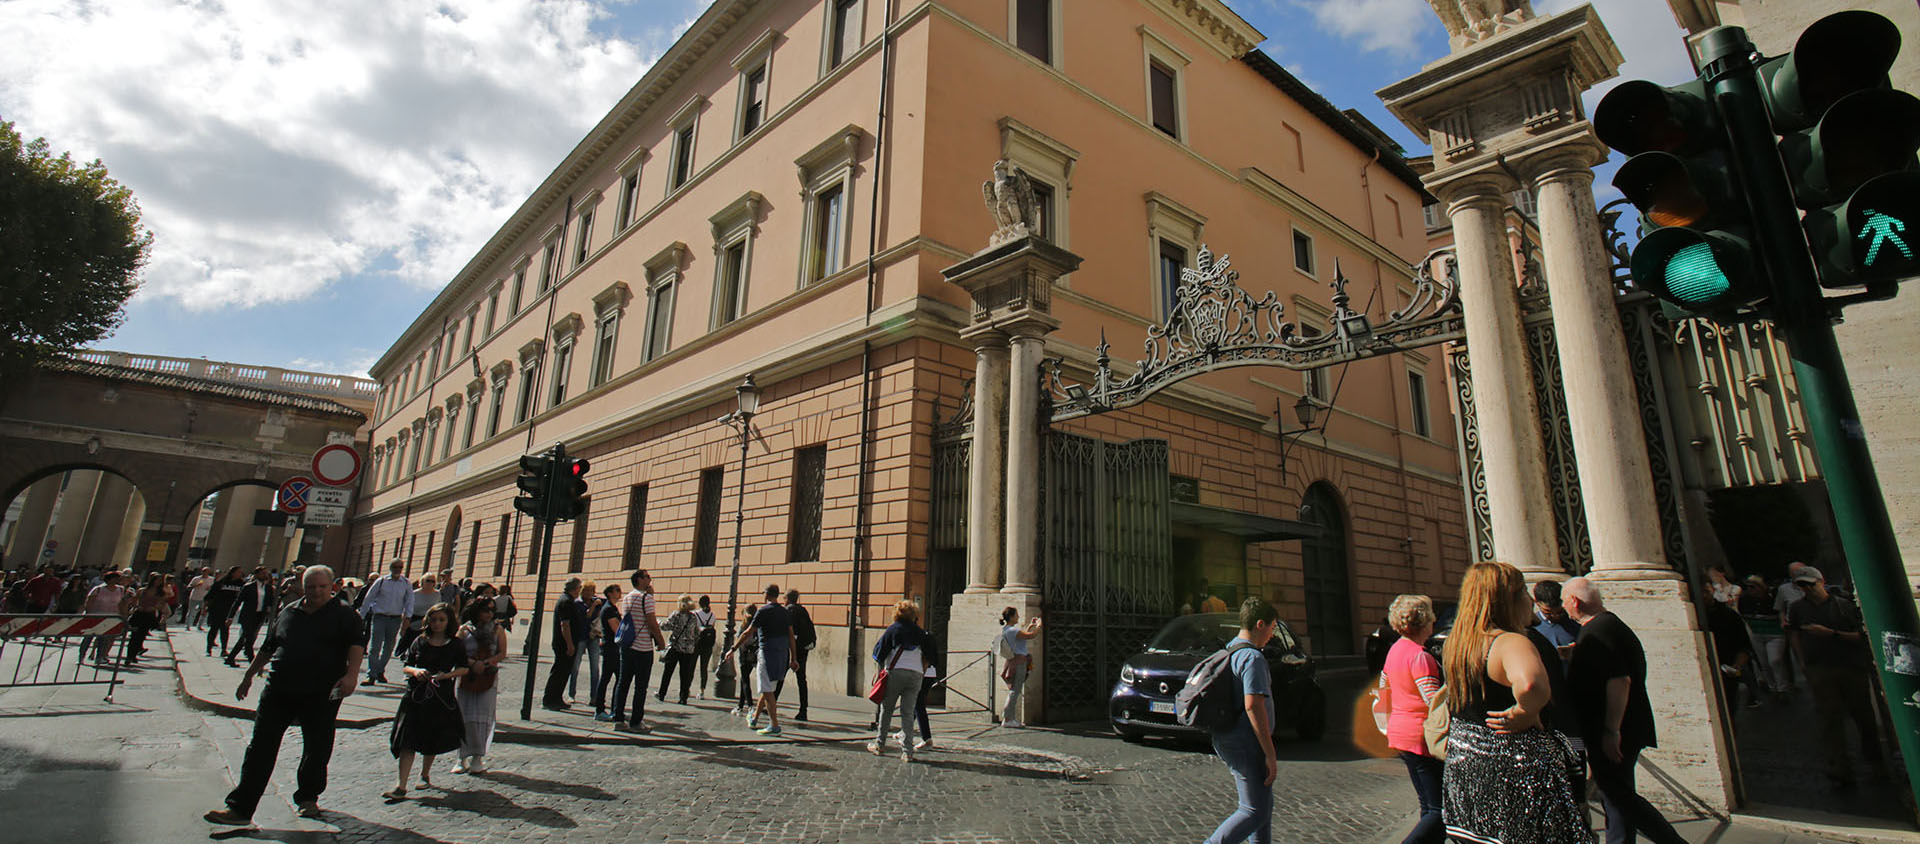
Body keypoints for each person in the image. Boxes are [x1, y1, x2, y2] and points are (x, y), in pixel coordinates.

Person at [203, 566, 366, 825]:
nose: (316, 591)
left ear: (331, 587)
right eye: (311, 587)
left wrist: (351, 676)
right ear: (303, 587)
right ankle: (240, 809)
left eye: (322, 586)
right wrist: (248, 676)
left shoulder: (346, 614)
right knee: (260, 747)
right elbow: (270, 646)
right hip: (279, 687)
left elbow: (357, 644)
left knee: (317, 746)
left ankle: (308, 798)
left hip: (322, 691)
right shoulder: (288, 611)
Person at [1440, 562, 1585, 844]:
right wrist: (1525, 710)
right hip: (1515, 773)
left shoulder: (1456, 644)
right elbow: (1531, 684)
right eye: (1523, 592)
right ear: (1507, 599)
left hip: (1466, 770)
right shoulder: (1510, 642)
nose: (1530, 600)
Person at [1563, 576, 1686, 844]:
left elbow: (1620, 681)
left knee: (1621, 797)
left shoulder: (1599, 631)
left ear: (1574, 601)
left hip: (1614, 731)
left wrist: (1611, 730)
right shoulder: (1607, 627)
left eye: (1564, 602)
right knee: (1617, 797)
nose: (1564, 608)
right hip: (1622, 728)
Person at [1785, 566, 1889, 785]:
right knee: (1829, 717)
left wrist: (1831, 633)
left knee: (1863, 716)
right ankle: (1839, 765)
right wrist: (1802, 661)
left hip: (1850, 667)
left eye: (1810, 584)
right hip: (1819, 668)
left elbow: (1862, 637)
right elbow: (1794, 633)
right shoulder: (1797, 608)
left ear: (1821, 582)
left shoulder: (1843, 606)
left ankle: (1876, 762)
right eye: (1802, 585)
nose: (1807, 589)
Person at [1203, 596, 1284, 844]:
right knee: (1253, 811)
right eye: (1273, 627)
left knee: (1262, 809)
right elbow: (1253, 705)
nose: (1273, 633)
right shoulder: (1253, 658)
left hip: (1230, 737)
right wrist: (1269, 752)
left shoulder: (1231, 649)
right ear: (1260, 624)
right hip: (1247, 741)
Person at [1374, 594, 1444, 844]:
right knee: (1439, 811)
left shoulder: (1395, 650)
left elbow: (1384, 687)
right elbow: (1433, 701)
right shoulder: (1420, 656)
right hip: (1421, 736)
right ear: (1425, 622)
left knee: (1427, 806)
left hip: (1400, 732)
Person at [385, 602, 467, 800]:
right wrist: (416, 671)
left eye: (441, 620)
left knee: (432, 738)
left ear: (448, 622)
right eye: (433, 619)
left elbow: (464, 668)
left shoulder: (456, 644)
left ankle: (424, 775)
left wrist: (446, 676)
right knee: (407, 740)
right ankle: (401, 785)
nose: (437, 623)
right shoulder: (420, 641)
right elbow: (407, 665)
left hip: (440, 696)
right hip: (416, 696)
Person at [725, 585, 796, 736]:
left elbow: (747, 632)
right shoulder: (785, 612)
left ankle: (774, 725)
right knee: (768, 687)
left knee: (766, 689)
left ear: (766, 595)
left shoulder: (763, 611)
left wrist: (733, 648)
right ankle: (755, 718)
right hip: (783, 653)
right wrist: (794, 658)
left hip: (768, 652)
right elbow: (791, 636)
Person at [868, 599, 932, 761]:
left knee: (887, 709)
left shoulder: (893, 630)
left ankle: (880, 744)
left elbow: (878, 653)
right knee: (908, 713)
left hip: (896, 673)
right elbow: (928, 656)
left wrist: (881, 669)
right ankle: (907, 751)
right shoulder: (920, 632)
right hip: (916, 675)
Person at [455, 597, 506, 774]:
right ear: (477, 611)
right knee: (463, 715)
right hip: (467, 676)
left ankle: (478, 757)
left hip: (488, 677)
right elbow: (456, 651)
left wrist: (484, 663)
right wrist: (471, 663)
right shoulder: (464, 629)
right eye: (486, 610)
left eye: (492, 610)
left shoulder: (498, 629)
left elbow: (502, 653)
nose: (490, 614)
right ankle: (461, 757)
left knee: (483, 716)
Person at [610, 570, 666, 732]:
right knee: (641, 687)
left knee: (623, 682)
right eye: (647, 576)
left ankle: (618, 718)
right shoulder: (646, 599)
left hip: (627, 646)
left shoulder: (627, 598)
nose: (650, 578)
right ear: (640, 580)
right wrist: (661, 642)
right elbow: (651, 622)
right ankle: (636, 722)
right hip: (642, 647)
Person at [360, 561, 414, 684]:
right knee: (375, 647)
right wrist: (362, 615)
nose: (397, 569)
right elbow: (369, 598)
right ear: (390, 568)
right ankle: (371, 674)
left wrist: (407, 617)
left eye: (400, 567)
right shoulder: (382, 581)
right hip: (380, 617)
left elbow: (409, 601)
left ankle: (380, 671)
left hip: (395, 618)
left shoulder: (406, 583)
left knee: (389, 647)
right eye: (395, 567)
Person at [542, 578, 585, 711]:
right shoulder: (566, 601)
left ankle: (556, 698)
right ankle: (550, 699)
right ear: (574, 588)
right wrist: (570, 644)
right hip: (564, 644)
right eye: (579, 588)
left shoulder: (566, 600)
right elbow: (564, 624)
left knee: (563, 672)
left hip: (565, 642)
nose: (580, 591)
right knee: (560, 671)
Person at [1769, 561, 1810, 693]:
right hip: (1795, 629)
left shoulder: (1812, 585)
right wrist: (1783, 621)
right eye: (1794, 573)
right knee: (1801, 661)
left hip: (1813, 626)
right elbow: (1780, 608)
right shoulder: (1784, 589)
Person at [999, 606, 1042, 727]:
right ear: (1011, 617)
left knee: (1014, 690)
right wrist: (1039, 626)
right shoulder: (1013, 630)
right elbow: (1030, 636)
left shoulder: (1007, 629)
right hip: (1019, 662)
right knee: (1014, 691)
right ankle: (1007, 719)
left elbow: (1022, 638)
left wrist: (1030, 626)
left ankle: (1010, 718)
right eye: (1016, 614)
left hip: (1013, 661)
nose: (1018, 617)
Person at [225, 568, 276, 667]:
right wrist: (230, 617)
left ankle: (230, 658)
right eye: (262, 573)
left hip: (259, 616)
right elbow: (238, 602)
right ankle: (253, 662)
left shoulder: (268, 588)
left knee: (244, 638)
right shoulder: (248, 587)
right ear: (256, 575)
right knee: (248, 639)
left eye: (266, 573)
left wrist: (270, 613)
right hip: (247, 616)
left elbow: (271, 602)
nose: (264, 575)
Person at [656, 594, 701, 705]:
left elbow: (665, 626)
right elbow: (697, 633)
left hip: (675, 648)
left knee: (668, 672)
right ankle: (683, 698)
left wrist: (657, 622)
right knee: (685, 674)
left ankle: (662, 694)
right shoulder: (693, 617)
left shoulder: (676, 615)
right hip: (688, 650)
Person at [780, 589, 816, 720]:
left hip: (791, 649)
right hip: (803, 648)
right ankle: (803, 710)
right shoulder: (803, 610)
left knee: (780, 677)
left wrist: (792, 655)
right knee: (801, 680)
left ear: (787, 599)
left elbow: (789, 632)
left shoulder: (788, 611)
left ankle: (770, 705)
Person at [80, 572, 130, 663]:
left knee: (104, 639)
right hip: (95, 617)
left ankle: (99, 657)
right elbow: (89, 602)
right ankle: (81, 656)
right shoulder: (98, 589)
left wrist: (124, 615)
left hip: (111, 617)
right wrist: (87, 615)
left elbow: (122, 604)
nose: (116, 580)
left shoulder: (121, 590)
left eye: (117, 579)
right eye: (114, 578)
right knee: (88, 638)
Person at [591, 584, 624, 720]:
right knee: (608, 678)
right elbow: (617, 629)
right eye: (617, 590)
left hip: (612, 648)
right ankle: (601, 710)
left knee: (615, 678)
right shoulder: (609, 609)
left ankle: (614, 709)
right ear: (610, 593)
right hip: (611, 648)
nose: (620, 593)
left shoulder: (612, 608)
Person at [125, 573, 170, 663]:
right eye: (157, 580)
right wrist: (136, 606)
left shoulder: (161, 593)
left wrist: (156, 608)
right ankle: (129, 656)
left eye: (160, 581)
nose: (158, 582)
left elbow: (162, 604)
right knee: (134, 636)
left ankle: (133, 654)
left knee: (141, 636)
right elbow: (134, 601)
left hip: (149, 615)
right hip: (139, 614)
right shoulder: (142, 590)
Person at [1531, 579, 1581, 656]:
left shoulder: (1576, 622)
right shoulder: (1532, 626)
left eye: (1559, 612)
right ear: (1537, 603)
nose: (1555, 616)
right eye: (1548, 613)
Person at [205, 567, 246, 657]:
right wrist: (205, 608)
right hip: (216, 609)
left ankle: (223, 650)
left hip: (229, 611)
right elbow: (210, 595)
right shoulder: (222, 582)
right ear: (232, 573)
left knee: (225, 630)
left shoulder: (241, 584)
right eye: (238, 572)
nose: (240, 574)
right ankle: (209, 648)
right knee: (214, 629)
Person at [575, 580, 602, 706]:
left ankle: (594, 697)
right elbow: (587, 616)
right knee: (575, 667)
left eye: (593, 591)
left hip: (593, 637)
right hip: (581, 636)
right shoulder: (578, 603)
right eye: (589, 591)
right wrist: (593, 606)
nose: (591, 593)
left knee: (595, 668)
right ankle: (571, 694)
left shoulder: (595, 602)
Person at [398, 575, 438, 656]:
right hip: (414, 619)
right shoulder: (414, 594)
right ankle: (408, 654)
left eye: (433, 581)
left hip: (428, 620)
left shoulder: (437, 594)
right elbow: (406, 608)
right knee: (411, 640)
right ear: (422, 581)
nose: (430, 583)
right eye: (428, 580)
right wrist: (404, 623)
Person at [733, 605, 759, 713]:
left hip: (744, 654)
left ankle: (750, 706)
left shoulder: (744, 625)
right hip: (754, 654)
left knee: (745, 680)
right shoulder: (757, 624)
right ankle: (740, 705)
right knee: (744, 679)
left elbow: (740, 638)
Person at [694, 595, 716, 698]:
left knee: (691, 667)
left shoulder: (696, 614)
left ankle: (687, 688)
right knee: (704, 668)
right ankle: (702, 691)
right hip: (707, 645)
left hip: (697, 643)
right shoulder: (712, 615)